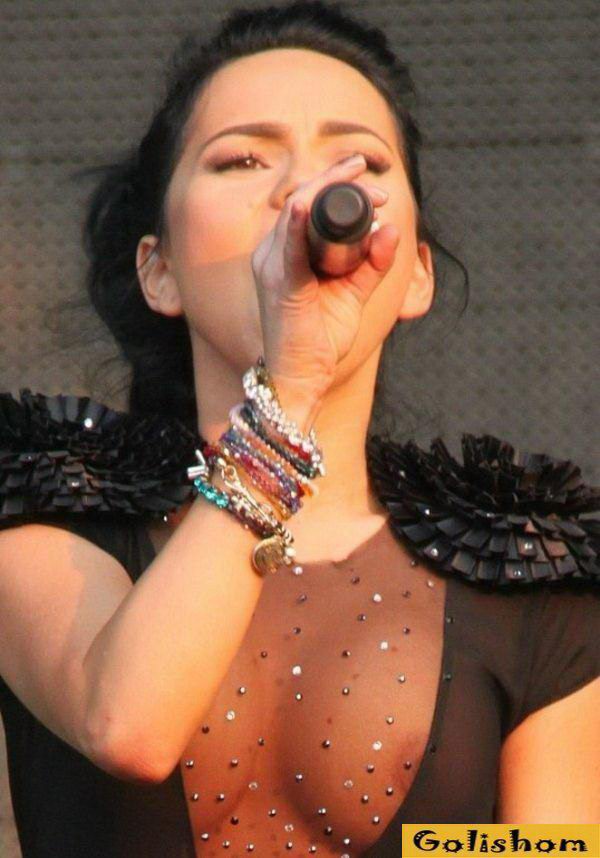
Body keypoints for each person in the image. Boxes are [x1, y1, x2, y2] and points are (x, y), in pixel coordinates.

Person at [0, 1, 599, 855]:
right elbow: (128, 726)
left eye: (358, 162)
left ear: (415, 272)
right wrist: (290, 389)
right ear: (159, 271)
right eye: (242, 159)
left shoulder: (525, 574)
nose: (299, 193)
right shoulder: (50, 511)